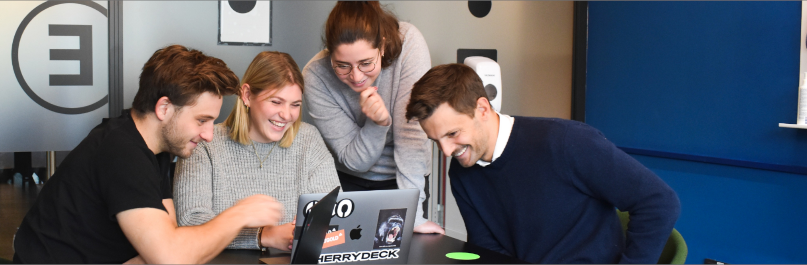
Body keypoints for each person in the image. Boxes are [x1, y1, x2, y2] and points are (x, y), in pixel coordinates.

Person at [12, 45, 284, 264]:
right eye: (202, 120)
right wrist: (239, 215)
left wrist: (167, 251)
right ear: (164, 108)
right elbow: (172, 256)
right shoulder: (121, 151)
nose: (208, 135)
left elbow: (170, 239)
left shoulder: (155, 150)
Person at [405, 63, 682, 264]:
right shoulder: (463, 173)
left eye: (452, 134)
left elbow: (658, 202)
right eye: (435, 140)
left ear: (482, 109)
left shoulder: (565, 142)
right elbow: (488, 249)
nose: (446, 150)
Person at [174, 51, 341, 251]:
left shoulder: (308, 140)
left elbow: (337, 216)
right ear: (246, 95)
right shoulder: (204, 143)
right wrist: (263, 236)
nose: (286, 115)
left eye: (295, 105)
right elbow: (190, 223)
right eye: (276, 102)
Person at [302, 1, 443, 234]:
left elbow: (412, 137)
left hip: (406, 182)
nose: (356, 76)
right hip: (348, 181)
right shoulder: (316, 76)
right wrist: (378, 124)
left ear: (383, 46)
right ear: (330, 54)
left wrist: (414, 216)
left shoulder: (409, 43)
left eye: (366, 63)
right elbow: (355, 160)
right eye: (342, 66)